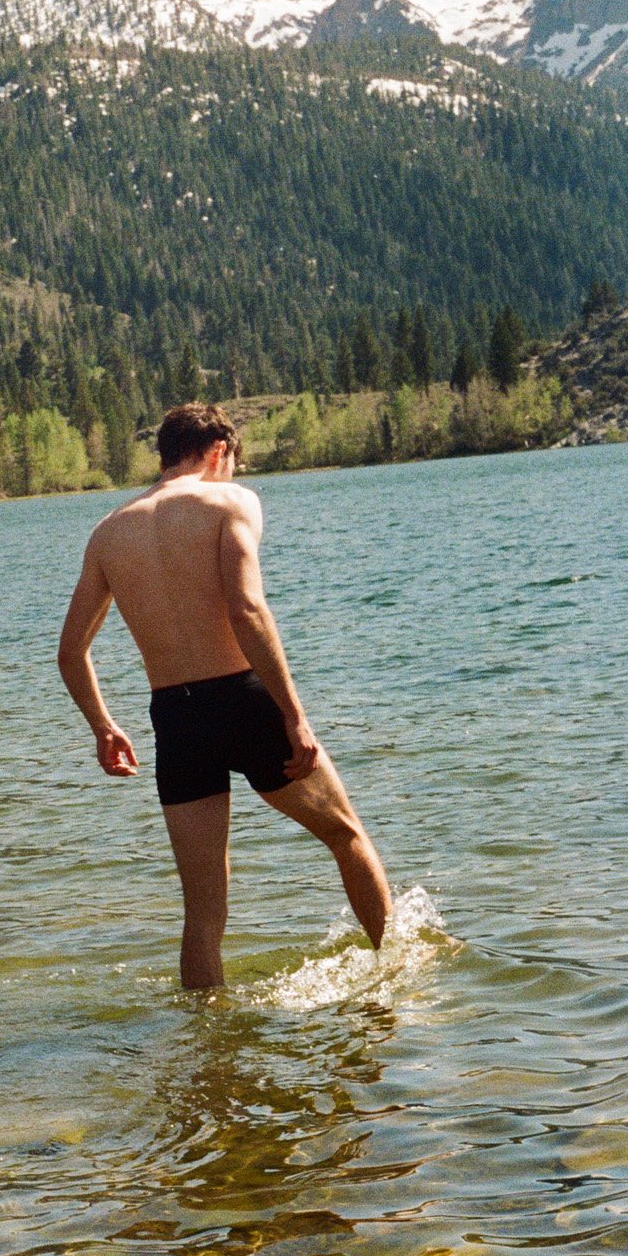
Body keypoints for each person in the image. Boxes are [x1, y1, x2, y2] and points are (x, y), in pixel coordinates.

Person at [56, 403, 392, 990]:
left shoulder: (108, 532)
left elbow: (70, 652)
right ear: (218, 451)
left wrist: (103, 727)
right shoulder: (229, 503)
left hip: (176, 719)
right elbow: (246, 609)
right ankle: (395, 980)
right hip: (244, 699)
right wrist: (294, 716)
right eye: (234, 460)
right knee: (346, 836)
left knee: (204, 910)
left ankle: (205, 1034)